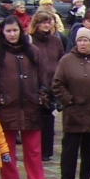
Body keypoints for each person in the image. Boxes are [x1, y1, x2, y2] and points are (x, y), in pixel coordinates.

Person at [0, 17, 48, 179]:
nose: (12, 34)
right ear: (2, 32)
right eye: (8, 31)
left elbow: (43, 76)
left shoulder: (33, 51)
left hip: (31, 106)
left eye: (15, 30)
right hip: (6, 108)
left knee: (33, 149)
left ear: (21, 31)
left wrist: (41, 96)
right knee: (7, 150)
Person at [52, 29, 90, 179]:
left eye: (86, 40)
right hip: (74, 112)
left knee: (89, 148)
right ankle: (67, 178)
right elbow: (57, 84)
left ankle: (85, 178)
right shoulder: (67, 61)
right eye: (80, 40)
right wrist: (68, 101)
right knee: (70, 148)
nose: (82, 43)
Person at [28, 11, 64, 162]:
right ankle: (35, 149)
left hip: (53, 84)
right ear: (36, 24)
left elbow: (61, 59)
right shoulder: (30, 41)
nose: (46, 24)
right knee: (36, 118)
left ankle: (47, 151)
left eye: (49, 21)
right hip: (35, 84)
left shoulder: (56, 41)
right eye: (43, 22)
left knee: (50, 118)